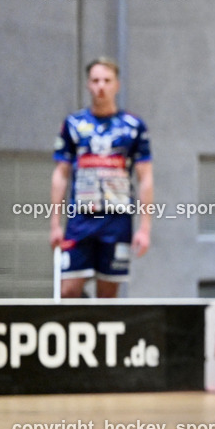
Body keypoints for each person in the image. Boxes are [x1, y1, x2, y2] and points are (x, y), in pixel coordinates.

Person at [50, 57, 153, 299]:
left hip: (116, 222)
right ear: (88, 84)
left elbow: (145, 178)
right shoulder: (73, 124)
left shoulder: (134, 126)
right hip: (80, 220)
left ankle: (99, 333)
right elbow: (61, 174)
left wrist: (145, 227)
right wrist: (55, 223)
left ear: (117, 85)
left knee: (108, 295)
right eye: (95, 80)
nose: (101, 86)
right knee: (68, 290)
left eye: (107, 80)